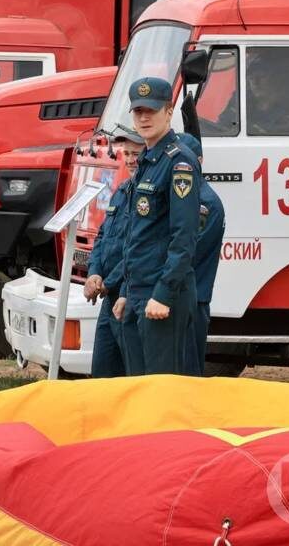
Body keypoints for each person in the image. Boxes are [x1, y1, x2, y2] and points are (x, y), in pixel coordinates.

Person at [111, 77, 202, 377]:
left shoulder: (179, 162)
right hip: (138, 293)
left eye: (151, 110)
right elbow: (137, 237)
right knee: (137, 386)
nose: (144, 118)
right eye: (138, 111)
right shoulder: (148, 161)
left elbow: (184, 236)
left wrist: (163, 294)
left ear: (169, 111)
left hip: (162, 295)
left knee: (161, 388)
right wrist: (126, 291)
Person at [83, 130, 144, 377]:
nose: (130, 160)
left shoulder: (148, 196)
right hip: (108, 297)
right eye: (126, 153)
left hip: (129, 296)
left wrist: (109, 282)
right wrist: (93, 273)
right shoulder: (121, 191)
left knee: (132, 373)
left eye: (136, 154)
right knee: (102, 370)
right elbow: (102, 237)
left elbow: (139, 247)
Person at [176, 133, 225, 374]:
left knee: (186, 375)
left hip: (191, 301)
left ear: (199, 161)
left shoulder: (205, 203)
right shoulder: (187, 198)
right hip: (180, 297)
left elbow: (187, 253)